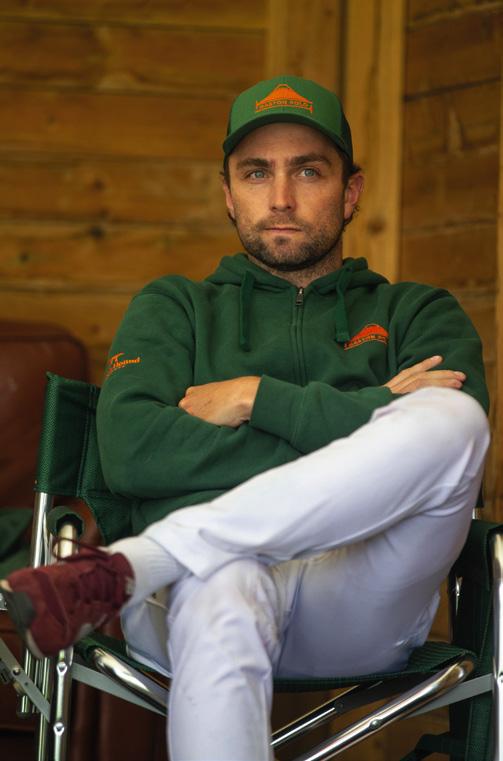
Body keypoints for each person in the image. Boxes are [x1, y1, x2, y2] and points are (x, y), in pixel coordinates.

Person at [1, 75, 490, 761]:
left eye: (308, 171)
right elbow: (134, 451)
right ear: (229, 194)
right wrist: (374, 415)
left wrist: (255, 397)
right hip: (193, 597)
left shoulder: (416, 313)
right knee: (225, 577)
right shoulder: (173, 308)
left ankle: (138, 561)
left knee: (453, 420)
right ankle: (172, 558)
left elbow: (450, 453)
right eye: (257, 172)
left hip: (359, 600)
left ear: (350, 192)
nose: (281, 197)